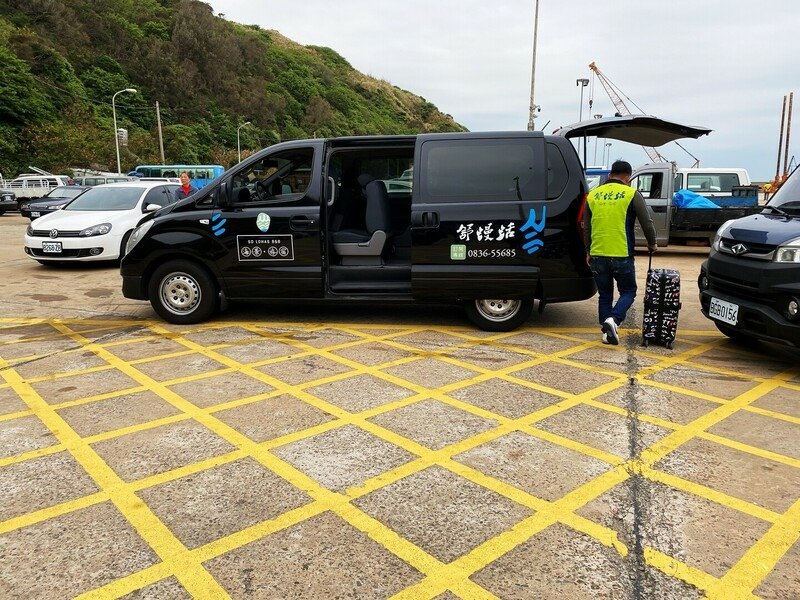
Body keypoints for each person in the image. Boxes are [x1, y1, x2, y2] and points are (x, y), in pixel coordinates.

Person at [584, 160, 657, 345]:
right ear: (628, 177)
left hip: (598, 254)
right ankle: (614, 320)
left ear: (610, 175)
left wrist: (588, 250)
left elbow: (587, 227)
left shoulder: (593, 195)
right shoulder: (631, 193)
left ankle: (607, 333)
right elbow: (646, 222)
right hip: (622, 254)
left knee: (605, 295)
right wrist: (652, 243)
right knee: (629, 290)